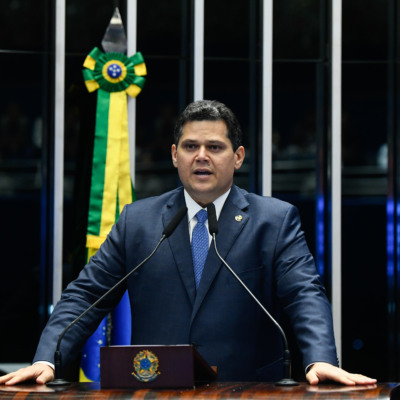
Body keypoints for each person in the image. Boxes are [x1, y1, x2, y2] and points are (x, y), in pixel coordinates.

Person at [0, 100, 376, 386]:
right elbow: (85, 295)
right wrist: (47, 359)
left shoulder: (273, 221)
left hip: (245, 391)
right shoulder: (139, 222)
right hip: (157, 389)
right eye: (191, 146)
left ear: (238, 157)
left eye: (215, 147)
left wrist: (320, 359)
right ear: (175, 155)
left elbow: (303, 294)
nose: (202, 156)